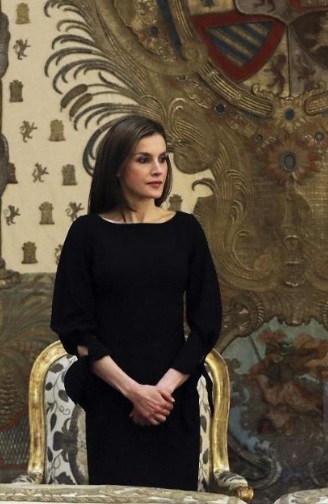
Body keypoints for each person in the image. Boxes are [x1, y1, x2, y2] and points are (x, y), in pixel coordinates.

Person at [51, 115, 222, 490]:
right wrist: (134, 392)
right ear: (116, 166)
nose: (158, 169)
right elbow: (74, 328)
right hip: (112, 403)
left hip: (172, 404)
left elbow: (207, 323)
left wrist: (161, 392)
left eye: (162, 159)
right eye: (144, 159)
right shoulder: (86, 234)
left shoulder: (186, 230)